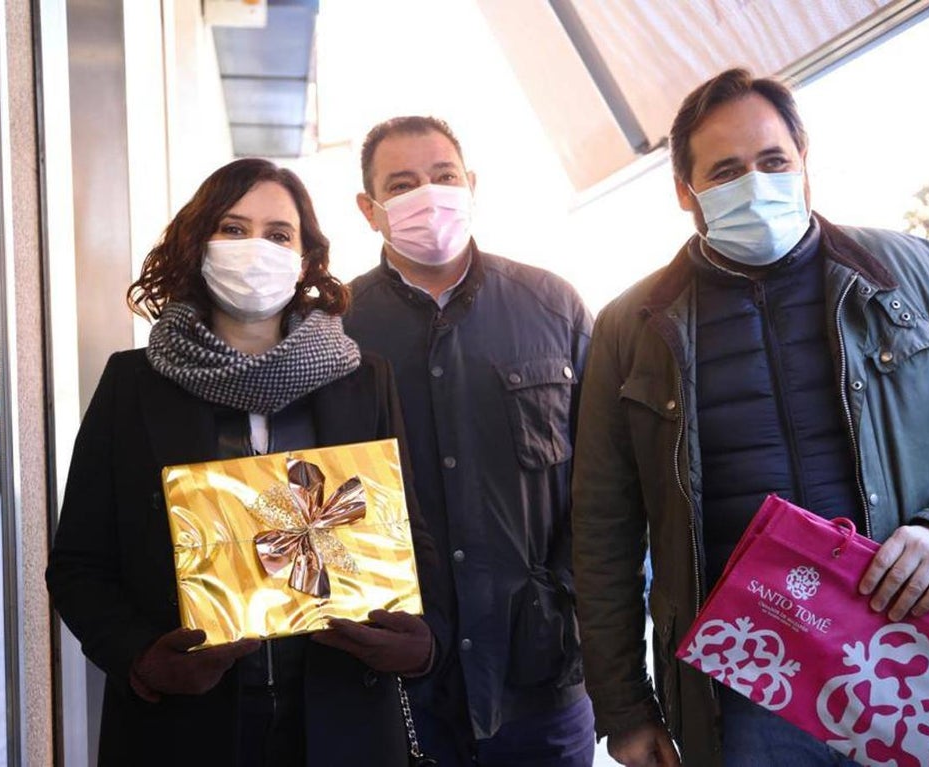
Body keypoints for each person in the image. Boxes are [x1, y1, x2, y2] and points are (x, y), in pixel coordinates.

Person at [570, 68, 929, 767]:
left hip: (913, 662)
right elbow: (603, 529)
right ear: (685, 191)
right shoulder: (630, 328)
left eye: (772, 162)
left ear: (804, 166)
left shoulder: (916, 276)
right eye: (726, 171)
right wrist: (624, 708)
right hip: (744, 692)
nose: (755, 184)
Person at [45, 158, 448, 767]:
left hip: (342, 718)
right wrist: (141, 658)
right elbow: (78, 564)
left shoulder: (364, 382)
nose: (254, 247)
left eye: (278, 234)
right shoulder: (133, 385)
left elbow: (411, 539)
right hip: (182, 728)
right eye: (232, 229)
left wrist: (421, 646)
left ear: (307, 258)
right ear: (197, 244)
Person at [343, 115, 596, 766]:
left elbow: (607, 482)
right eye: (402, 184)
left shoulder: (553, 306)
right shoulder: (332, 329)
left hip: (541, 681)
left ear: (472, 184)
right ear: (370, 210)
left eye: (443, 175)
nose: (428, 194)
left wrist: (566, 598)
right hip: (400, 687)